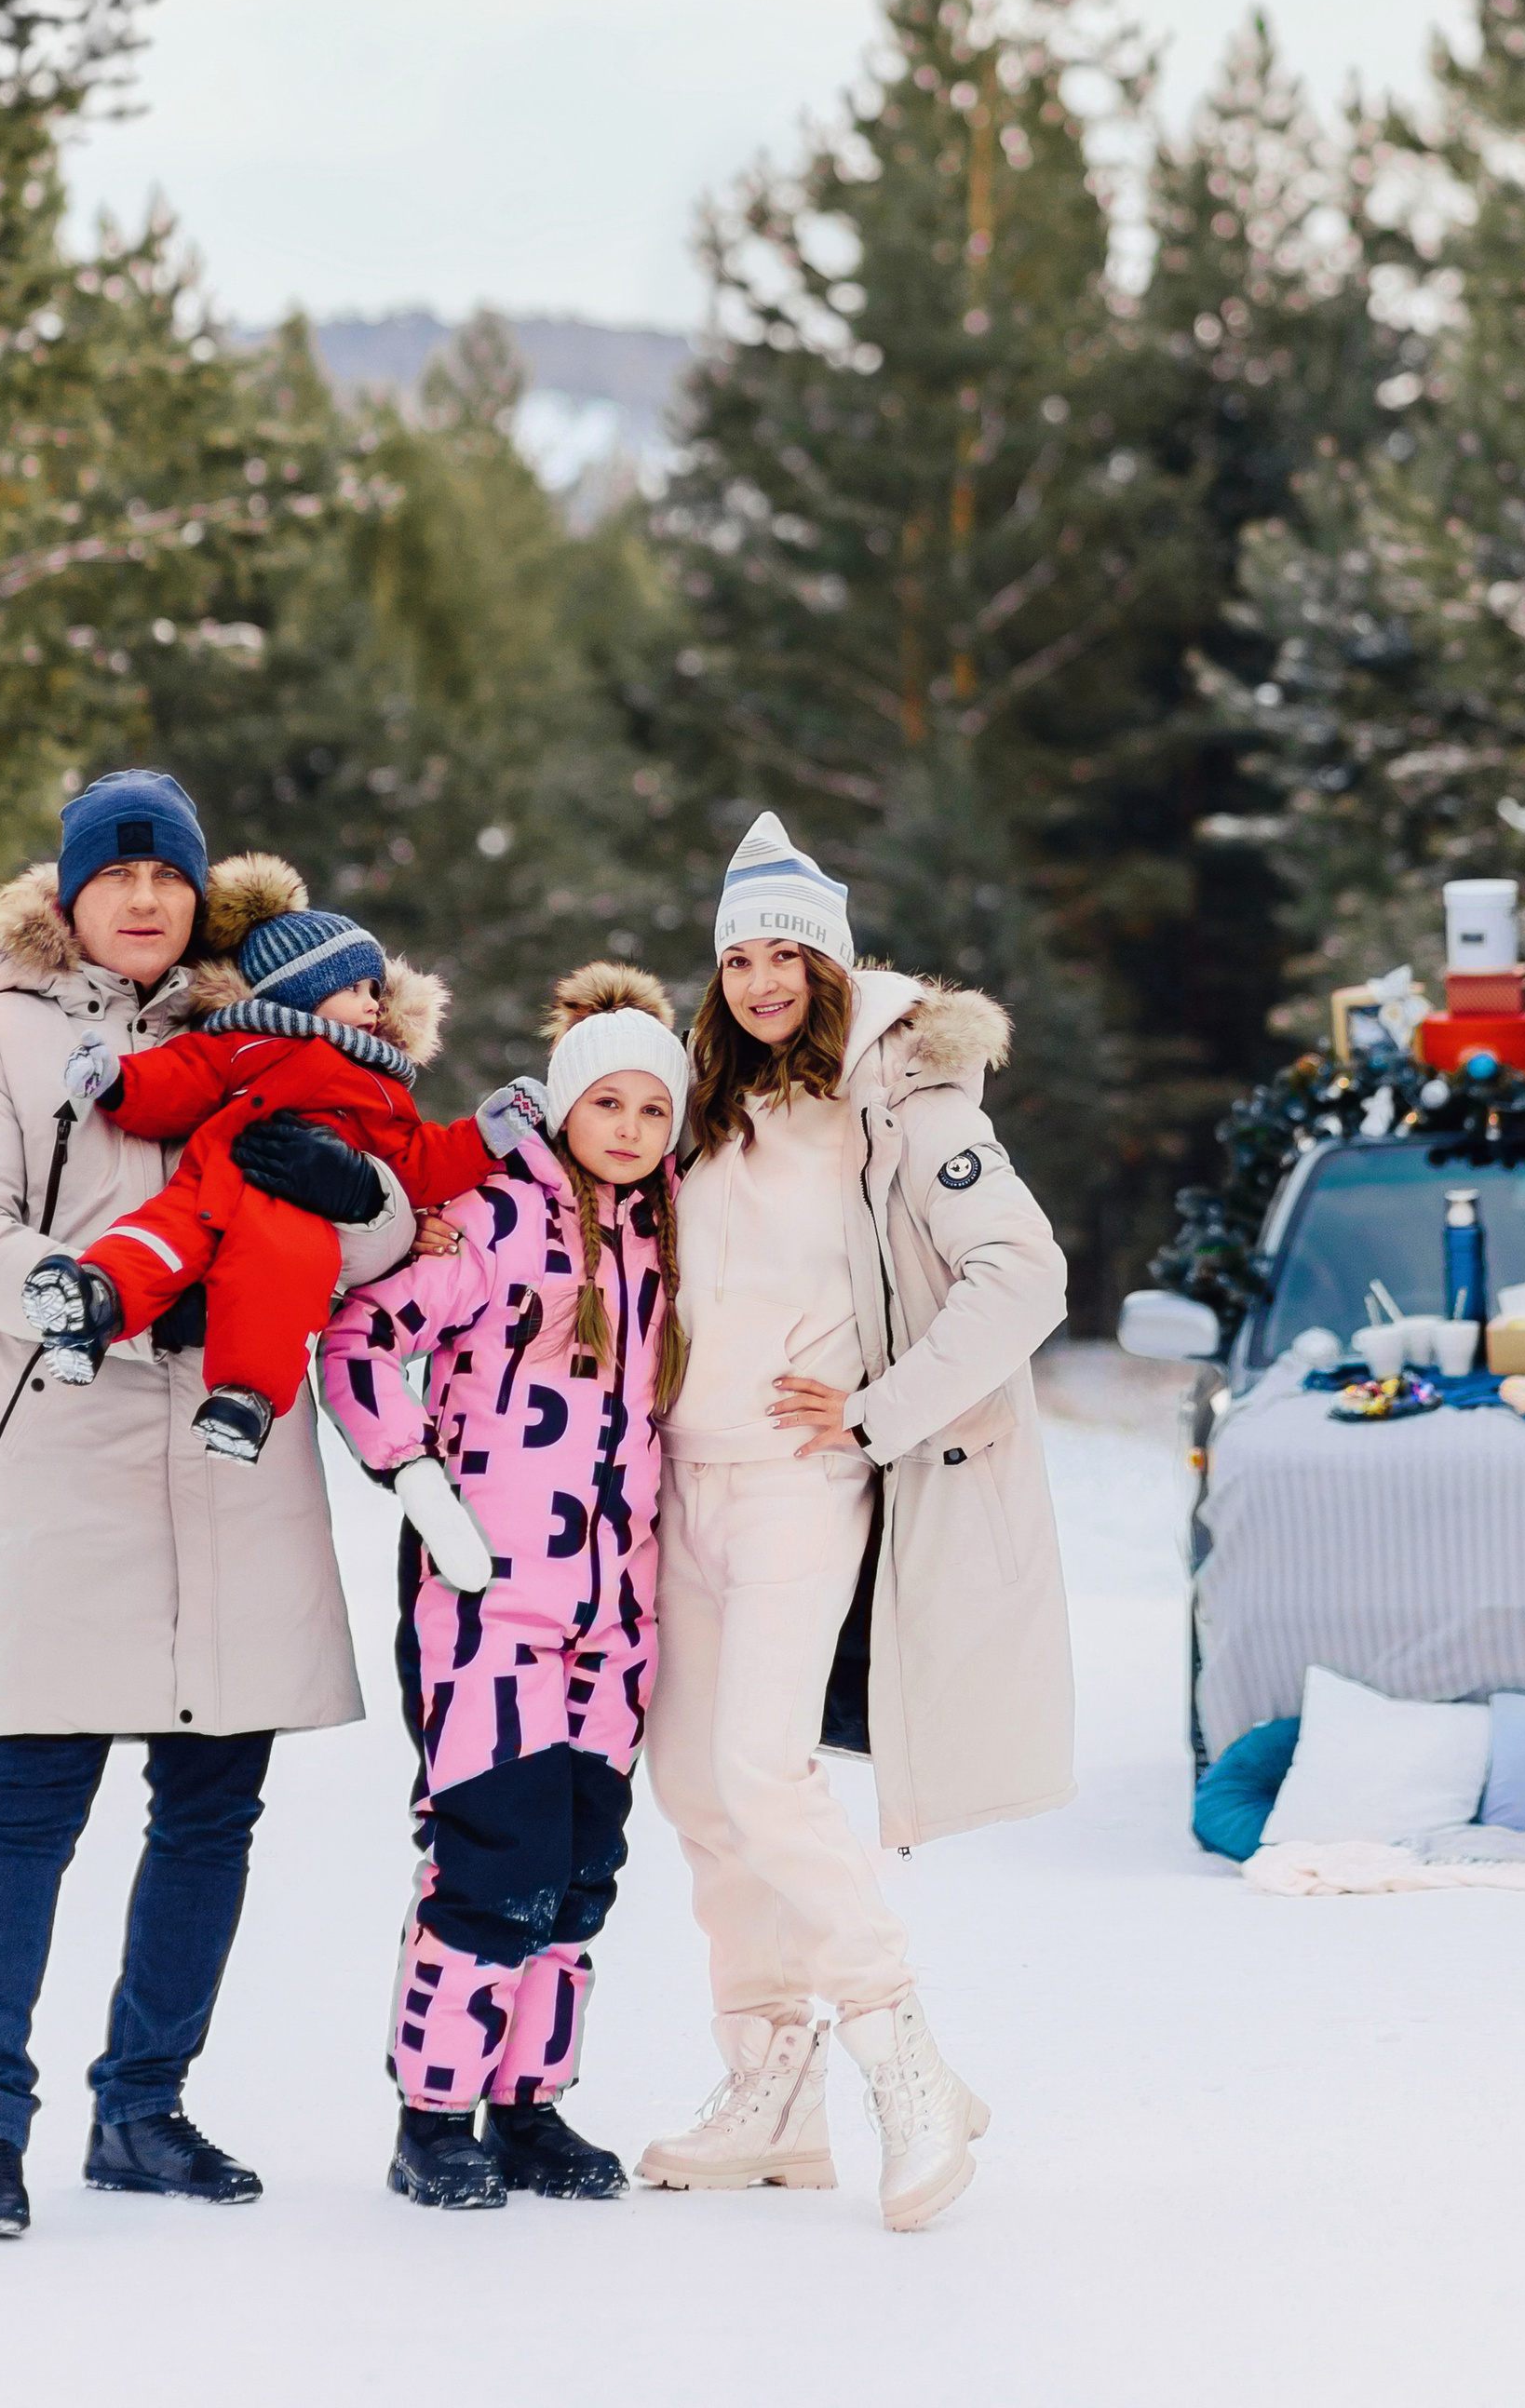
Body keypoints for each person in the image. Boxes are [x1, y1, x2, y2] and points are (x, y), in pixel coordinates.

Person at [0, 771, 424, 2244]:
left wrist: (351, 1193)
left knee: (212, 1810)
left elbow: (388, 1228)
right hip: (70, 1441)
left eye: (168, 879)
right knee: (31, 1802)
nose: (142, 899)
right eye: (115, 876)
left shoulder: (260, 1030)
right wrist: (77, 1298)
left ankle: (142, 2107)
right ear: (66, 895)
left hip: (237, 1443)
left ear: (200, 898)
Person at [639, 813, 1074, 2233]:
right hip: (680, 1484)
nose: (763, 980)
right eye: (740, 958)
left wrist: (884, 1408)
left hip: (800, 1483)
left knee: (764, 1771)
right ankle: (769, 2095)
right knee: (702, 1795)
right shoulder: (707, 1098)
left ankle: (907, 2060)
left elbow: (1022, 1274)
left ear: (832, 961)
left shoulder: (902, 1094)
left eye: (788, 954)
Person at [320, 963, 689, 2211]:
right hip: (489, 1608)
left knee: (583, 1872)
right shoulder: (487, 1222)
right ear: (567, 1108)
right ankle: (435, 2115)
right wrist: (417, 1483)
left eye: (654, 1108)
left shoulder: (671, 1241)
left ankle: (531, 2107)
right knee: (494, 1864)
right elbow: (358, 1339)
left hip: (617, 1620)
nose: (630, 1128)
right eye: (608, 1104)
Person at [25, 853, 541, 1464]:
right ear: (302, 993)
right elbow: (178, 1079)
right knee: (156, 1238)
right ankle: (94, 1302)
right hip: (211, 1183)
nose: (373, 1002)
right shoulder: (245, 1045)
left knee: (282, 1286)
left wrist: (482, 1139)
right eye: (353, 989)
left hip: (298, 1215)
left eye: (375, 989)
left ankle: (247, 1398)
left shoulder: (379, 1085)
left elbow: (416, 1159)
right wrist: (115, 1081)